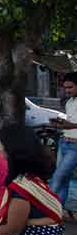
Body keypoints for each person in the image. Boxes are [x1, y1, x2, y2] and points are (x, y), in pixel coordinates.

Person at [49, 72, 77, 204]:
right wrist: (60, 123)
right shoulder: (70, 102)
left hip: (75, 147)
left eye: (70, 87)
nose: (67, 90)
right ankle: (56, 212)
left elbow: (73, 125)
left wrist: (66, 126)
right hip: (64, 143)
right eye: (65, 88)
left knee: (57, 178)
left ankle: (45, 208)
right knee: (63, 179)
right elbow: (70, 122)